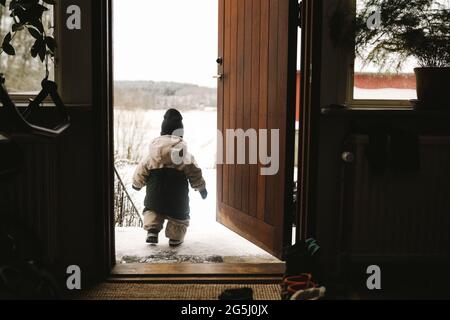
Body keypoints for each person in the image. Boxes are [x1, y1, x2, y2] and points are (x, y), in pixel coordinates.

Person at [132, 109, 207, 247]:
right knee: (179, 217)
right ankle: (175, 238)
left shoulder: (152, 155)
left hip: (155, 195)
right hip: (177, 198)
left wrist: (137, 184)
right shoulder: (185, 156)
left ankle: (152, 231)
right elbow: (195, 173)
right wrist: (201, 188)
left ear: (162, 132)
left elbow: (141, 170)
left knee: (153, 211)